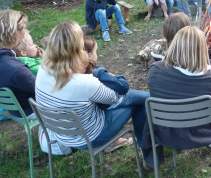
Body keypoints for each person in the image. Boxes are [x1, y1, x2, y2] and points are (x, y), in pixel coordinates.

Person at [35, 21, 148, 153]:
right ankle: (149, 149)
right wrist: (108, 77)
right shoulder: (84, 82)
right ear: (78, 48)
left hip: (62, 135)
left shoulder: (43, 69)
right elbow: (115, 98)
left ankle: (158, 103)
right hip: (90, 138)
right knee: (138, 100)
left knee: (138, 98)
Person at [142, 26, 211, 168]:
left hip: (166, 131)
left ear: (175, 45)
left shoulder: (155, 71)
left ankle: (153, 158)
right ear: (201, 49)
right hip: (203, 132)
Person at [0, 10, 36, 118]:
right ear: (14, 32)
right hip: (29, 110)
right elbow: (42, 89)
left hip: (14, 108)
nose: (25, 32)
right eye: (24, 28)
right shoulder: (16, 69)